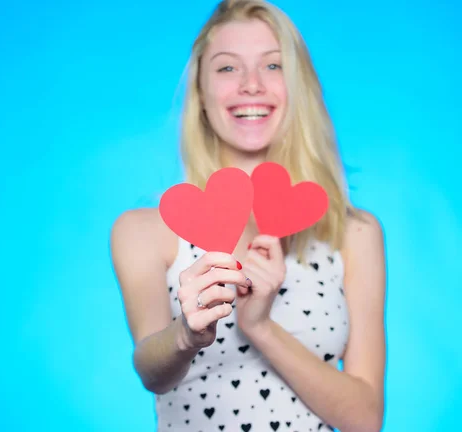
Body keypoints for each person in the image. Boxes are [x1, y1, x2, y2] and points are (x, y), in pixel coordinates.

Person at [110, 0, 386, 431]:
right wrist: (187, 334)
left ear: (298, 88)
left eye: (273, 66)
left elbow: (365, 421)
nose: (251, 85)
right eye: (227, 68)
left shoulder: (355, 233)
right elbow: (151, 372)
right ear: (201, 94)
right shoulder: (144, 232)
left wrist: (259, 326)